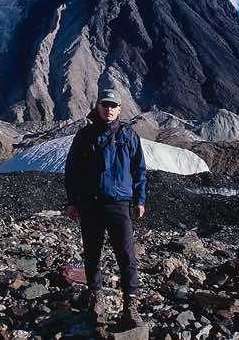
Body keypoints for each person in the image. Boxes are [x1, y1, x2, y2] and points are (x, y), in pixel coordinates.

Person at [64, 88, 147, 328]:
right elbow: (73, 170)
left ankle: (130, 304)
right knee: (92, 253)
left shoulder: (128, 135)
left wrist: (139, 200)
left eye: (113, 105)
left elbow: (139, 170)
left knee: (127, 255)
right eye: (105, 105)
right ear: (98, 107)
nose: (109, 109)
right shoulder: (85, 136)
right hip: (90, 203)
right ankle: (96, 298)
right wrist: (72, 201)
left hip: (119, 203)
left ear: (120, 109)